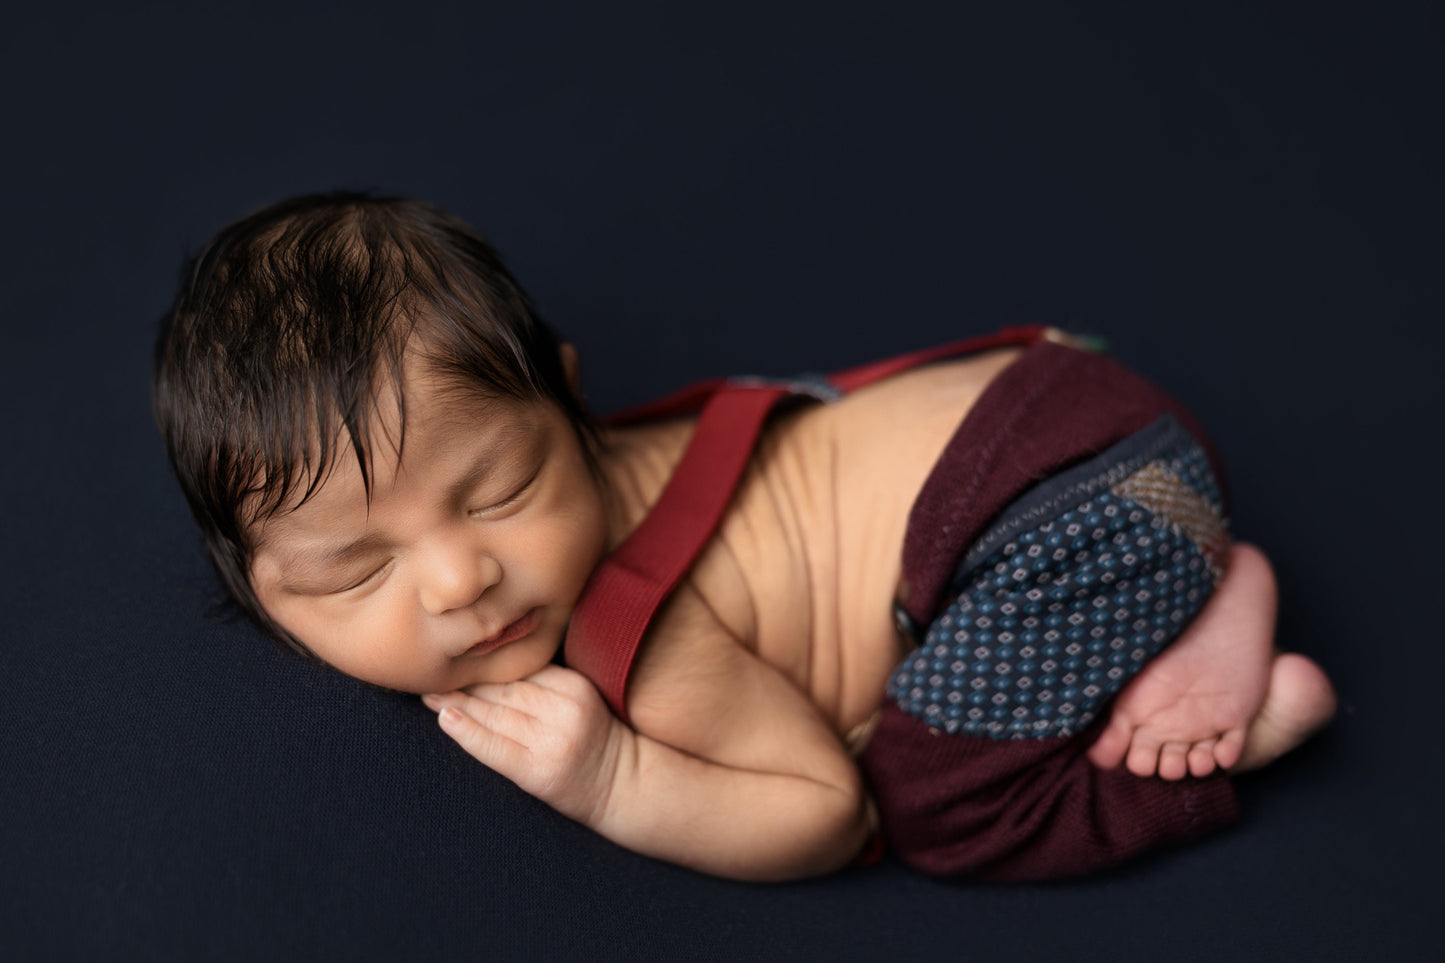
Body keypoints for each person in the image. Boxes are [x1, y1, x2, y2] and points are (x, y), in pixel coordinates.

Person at [152, 192, 1336, 882]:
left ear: (567, 400)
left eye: (502, 488)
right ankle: (1185, 568)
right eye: (359, 569)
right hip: (1058, 403)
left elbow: (826, 814)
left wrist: (615, 778)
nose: (463, 576)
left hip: (1077, 509)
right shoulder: (589, 464)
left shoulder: (637, 632)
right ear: (262, 598)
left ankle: (1218, 689)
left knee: (938, 805)